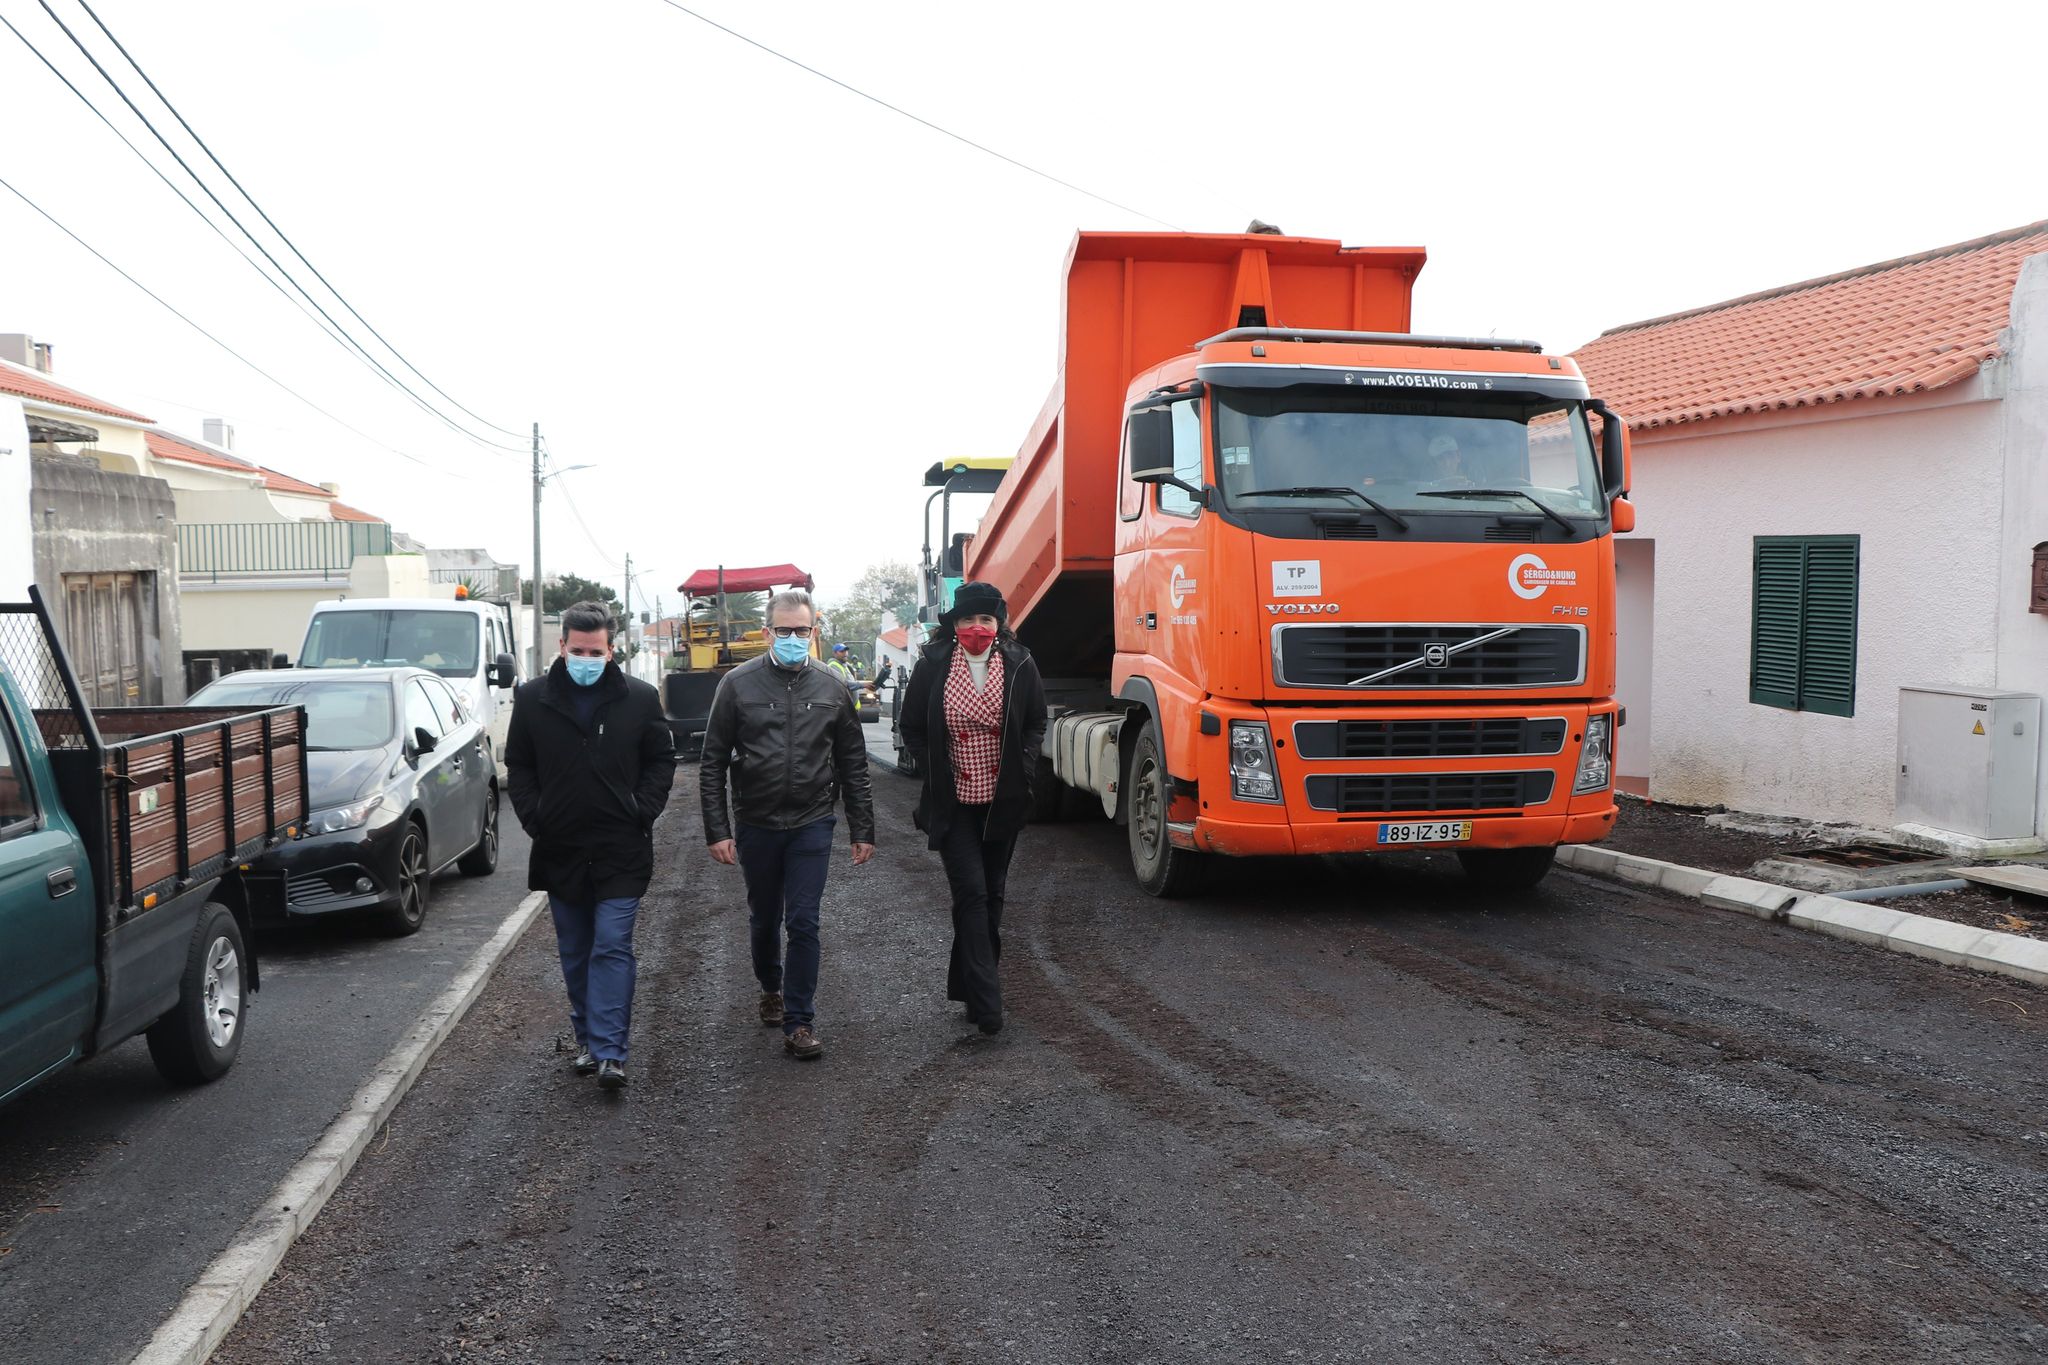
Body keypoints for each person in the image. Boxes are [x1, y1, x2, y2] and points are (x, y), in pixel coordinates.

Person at [506, 600, 677, 1091]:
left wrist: (641, 809)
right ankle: (587, 1039)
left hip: (620, 847)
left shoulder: (639, 699)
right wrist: (537, 818)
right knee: (576, 950)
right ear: (562, 646)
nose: (586, 658)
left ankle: (610, 1053)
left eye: (595, 651)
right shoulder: (532, 699)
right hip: (560, 847)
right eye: (578, 650)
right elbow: (519, 765)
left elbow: (660, 761)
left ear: (611, 650)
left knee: (612, 945)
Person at [700, 590, 875, 1060]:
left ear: (814, 632)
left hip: (811, 820)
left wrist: (862, 829)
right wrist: (718, 829)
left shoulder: (832, 687)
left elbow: (853, 762)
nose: (793, 637)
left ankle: (800, 1021)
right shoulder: (736, 685)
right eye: (784, 630)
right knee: (764, 917)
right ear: (767, 632)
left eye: (801, 630)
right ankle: (770, 987)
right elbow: (712, 761)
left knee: (804, 920)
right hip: (756, 822)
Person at [899, 581, 1047, 1036]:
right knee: (972, 894)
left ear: (998, 624)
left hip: (1003, 799)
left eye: (986, 619)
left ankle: (969, 988)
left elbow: (1036, 720)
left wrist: (1024, 767)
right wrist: (933, 769)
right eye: (969, 619)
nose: (977, 627)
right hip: (954, 802)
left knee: (993, 894)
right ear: (955, 624)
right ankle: (988, 1001)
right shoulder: (933, 663)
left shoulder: (1020, 662)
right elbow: (911, 726)